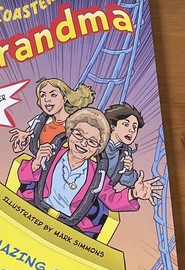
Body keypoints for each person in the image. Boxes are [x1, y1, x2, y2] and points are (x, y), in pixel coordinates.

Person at [17, 108, 161, 238]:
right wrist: (36, 162)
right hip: (34, 211)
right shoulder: (51, 154)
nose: (83, 143)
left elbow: (112, 199)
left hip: (67, 228)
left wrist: (134, 193)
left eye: (92, 142)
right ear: (69, 134)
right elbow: (23, 177)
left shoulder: (98, 174)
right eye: (79, 135)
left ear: (98, 148)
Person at [10, 77, 94, 154]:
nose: (47, 99)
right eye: (43, 95)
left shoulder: (77, 125)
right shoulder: (40, 120)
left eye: (53, 95)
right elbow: (17, 149)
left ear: (64, 99)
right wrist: (22, 141)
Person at [104, 102, 143, 190]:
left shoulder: (126, 152)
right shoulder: (98, 142)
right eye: (126, 124)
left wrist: (128, 170)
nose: (131, 130)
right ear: (113, 126)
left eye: (135, 127)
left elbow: (128, 182)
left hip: (104, 193)